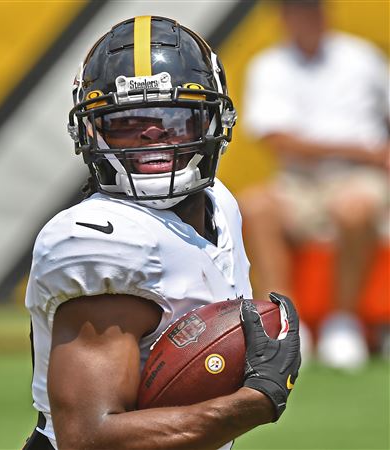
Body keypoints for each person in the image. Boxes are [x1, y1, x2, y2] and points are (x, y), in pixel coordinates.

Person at [23, 16, 301, 450]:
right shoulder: (98, 239)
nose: (154, 136)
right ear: (91, 132)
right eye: (127, 122)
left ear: (215, 120)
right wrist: (254, 401)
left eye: (175, 117)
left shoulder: (220, 203)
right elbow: (90, 438)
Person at [240, 0, 389, 371]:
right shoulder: (269, 66)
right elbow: (276, 138)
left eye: (312, 8)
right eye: (297, 9)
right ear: (284, 17)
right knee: (254, 205)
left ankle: (344, 321)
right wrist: (358, 149)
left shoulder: (362, 57)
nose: (306, 16)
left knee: (354, 207)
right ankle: (287, 325)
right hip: (298, 181)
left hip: (359, 177)